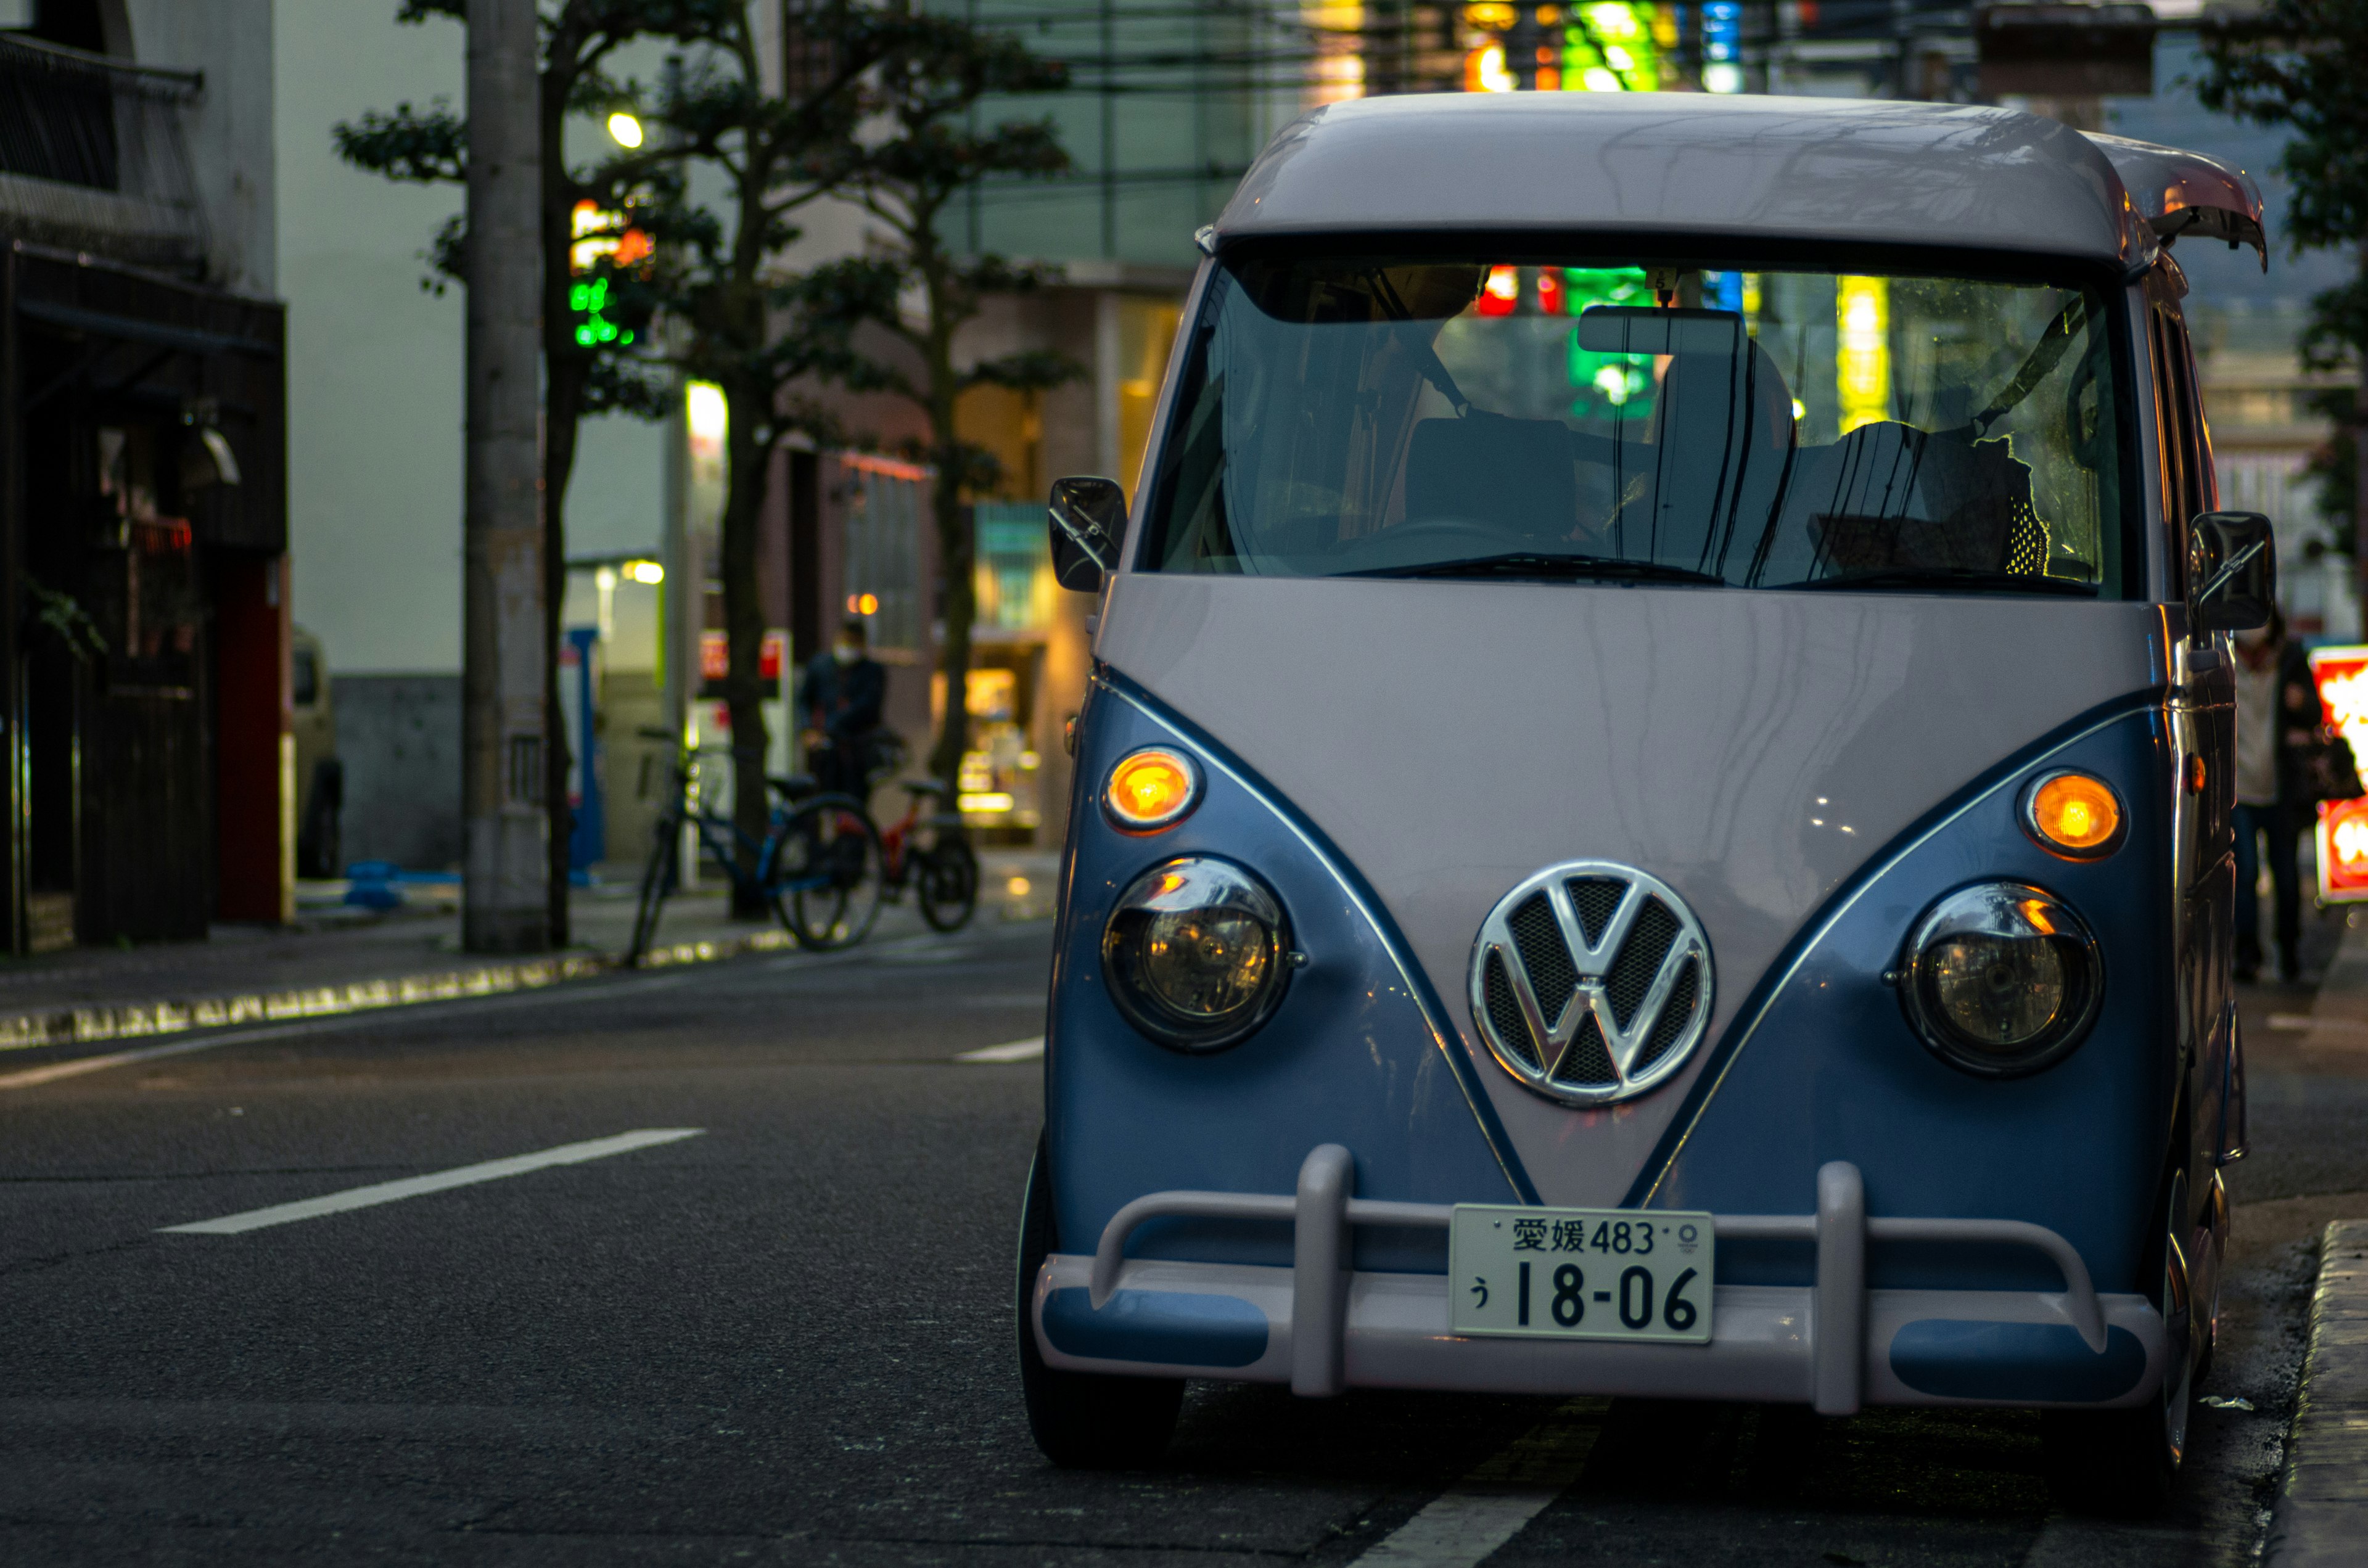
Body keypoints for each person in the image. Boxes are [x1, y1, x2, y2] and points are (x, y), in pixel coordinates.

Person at [2232, 605, 2317, 983]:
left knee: (2285, 875)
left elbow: (2314, 713)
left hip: (2281, 787)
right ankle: (2247, 952)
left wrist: (2302, 704)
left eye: (2259, 647)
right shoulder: (2224, 662)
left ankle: (2289, 950)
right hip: (2238, 789)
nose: (2253, 656)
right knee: (2244, 873)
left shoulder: (2292, 662)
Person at [800, 618, 887, 799]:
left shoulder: (872, 672)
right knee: (818, 800)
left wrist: (829, 728)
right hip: (824, 755)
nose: (848, 646)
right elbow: (804, 700)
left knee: (853, 806)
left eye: (853, 642)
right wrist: (808, 729)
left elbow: (867, 706)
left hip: (857, 752)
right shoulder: (821, 666)